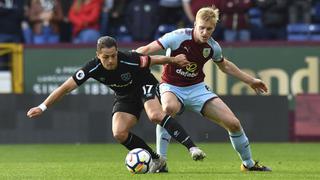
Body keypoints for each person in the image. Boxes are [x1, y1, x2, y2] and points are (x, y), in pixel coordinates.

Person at [26, 36, 205, 173]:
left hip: (144, 85)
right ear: (98, 55)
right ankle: (157, 160)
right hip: (125, 95)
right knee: (119, 133)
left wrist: (174, 60)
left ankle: (192, 148)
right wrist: (42, 107)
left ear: (117, 52)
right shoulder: (92, 68)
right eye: (106, 57)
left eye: (113, 56)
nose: (111, 60)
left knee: (155, 115)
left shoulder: (129, 58)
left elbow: (154, 60)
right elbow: (65, 88)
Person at [136, 6, 272, 172]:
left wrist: (250, 81)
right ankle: (161, 162)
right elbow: (147, 50)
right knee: (168, 108)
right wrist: (126, 60)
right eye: (201, 28)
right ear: (195, 24)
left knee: (234, 124)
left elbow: (225, 66)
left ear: (214, 28)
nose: (205, 32)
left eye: (209, 29)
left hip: (196, 88)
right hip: (171, 85)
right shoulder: (177, 37)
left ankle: (248, 164)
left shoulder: (213, 47)